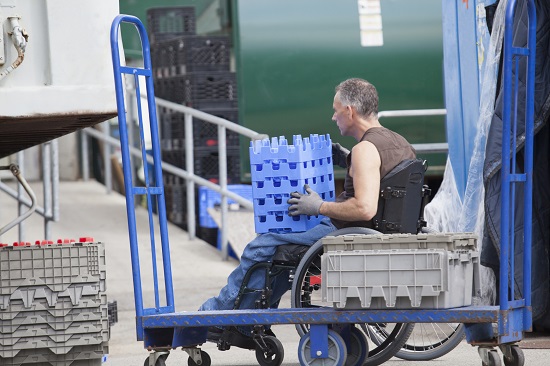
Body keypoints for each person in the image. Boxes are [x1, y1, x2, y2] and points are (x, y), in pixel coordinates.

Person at [201, 78, 416, 347]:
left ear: (350, 111)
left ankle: (217, 314)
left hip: (349, 231)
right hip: (379, 229)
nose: (333, 116)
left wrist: (318, 206)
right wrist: (346, 158)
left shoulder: (365, 150)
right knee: (279, 250)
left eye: (336, 109)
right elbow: (380, 177)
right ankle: (252, 321)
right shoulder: (398, 142)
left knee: (263, 245)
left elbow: (365, 206)